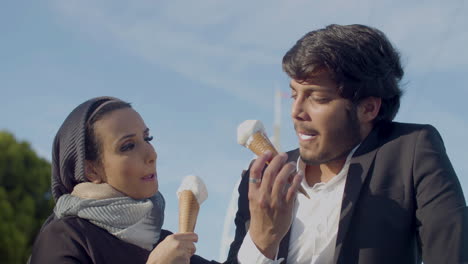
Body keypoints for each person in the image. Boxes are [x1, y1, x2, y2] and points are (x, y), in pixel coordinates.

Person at [226, 24, 468, 264]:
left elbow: (451, 253)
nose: (296, 111)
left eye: (318, 98)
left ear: (368, 108)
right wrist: (261, 242)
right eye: (294, 94)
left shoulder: (410, 151)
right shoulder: (261, 182)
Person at [30, 97, 217, 264]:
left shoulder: (167, 245)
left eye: (147, 138)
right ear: (91, 170)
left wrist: (246, 203)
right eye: (128, 146)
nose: (151, 154)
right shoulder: (65, 238)